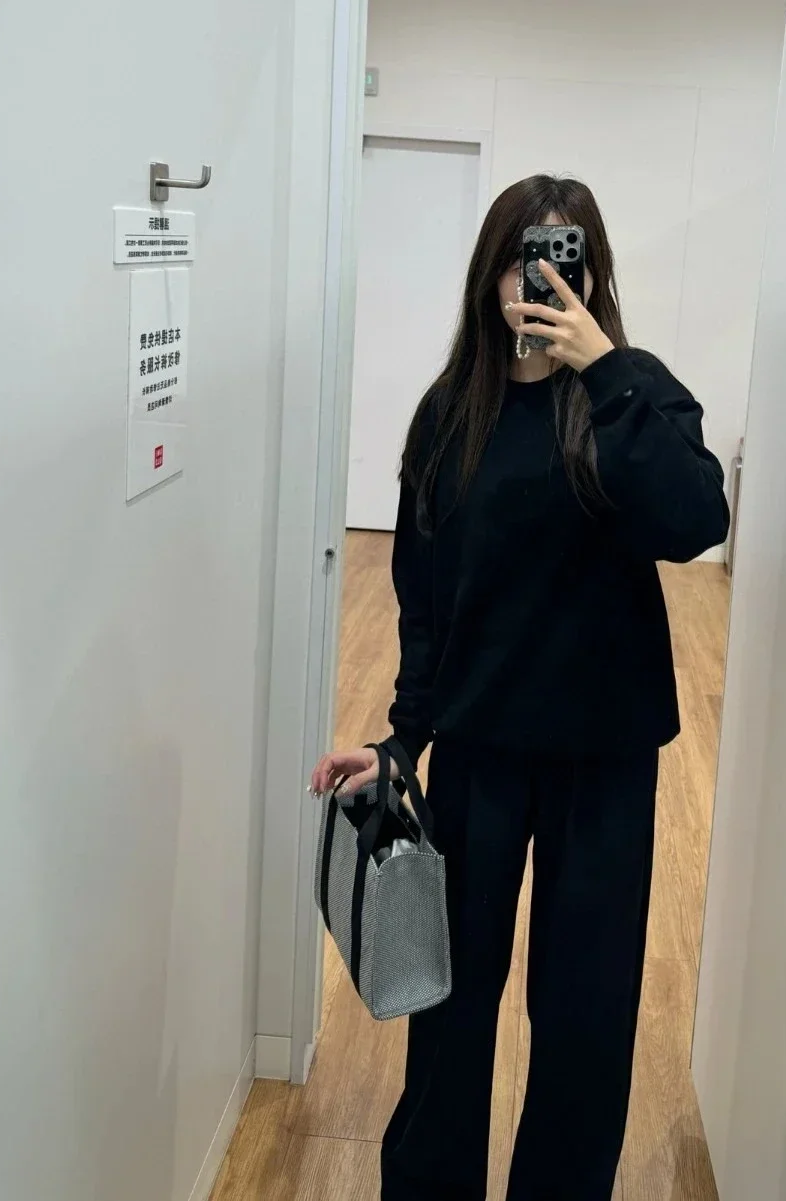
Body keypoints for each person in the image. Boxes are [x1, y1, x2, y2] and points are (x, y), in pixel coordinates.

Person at [311, 174, 730, 1201]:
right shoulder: (452, 414)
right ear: (489, 274)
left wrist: (604, 366)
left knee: (586, 1016)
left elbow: (694, 520)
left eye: (562, 256)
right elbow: (424, 596)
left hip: (605, 762)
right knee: (449, 1003)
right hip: (482, 754)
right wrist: (402, 741)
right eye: (521, 257)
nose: (538, 279)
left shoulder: (633, 393)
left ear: (594, 271)